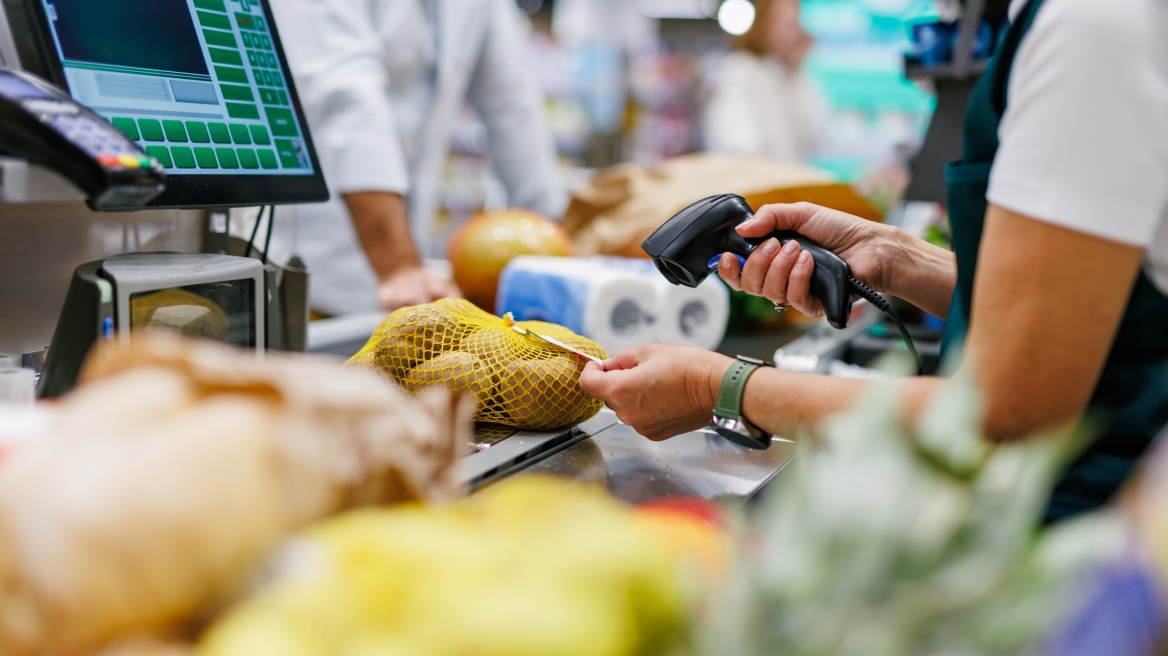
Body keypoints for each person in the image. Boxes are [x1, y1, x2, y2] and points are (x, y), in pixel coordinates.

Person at [581, 0, 1168, 522]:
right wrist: (896, 257)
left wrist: (717, 386)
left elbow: (1001, 415)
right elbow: (1079, 305)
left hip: (1087, 530)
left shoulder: (1089, 25)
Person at [268, 0, 564, 314]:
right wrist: (400, 268)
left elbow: (513, 109)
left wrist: (559, 256)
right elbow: (347, 103)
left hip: (409, 277)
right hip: (316, 280)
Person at [702, 0, 825, 163]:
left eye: (794, 22)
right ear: (762, 23)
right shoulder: (738, 69)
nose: (791, 31)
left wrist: (797, 70)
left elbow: (815, 134)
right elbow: (739, 140)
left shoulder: (787, 76)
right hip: (758, 182)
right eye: (783, 20)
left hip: (784, 181)